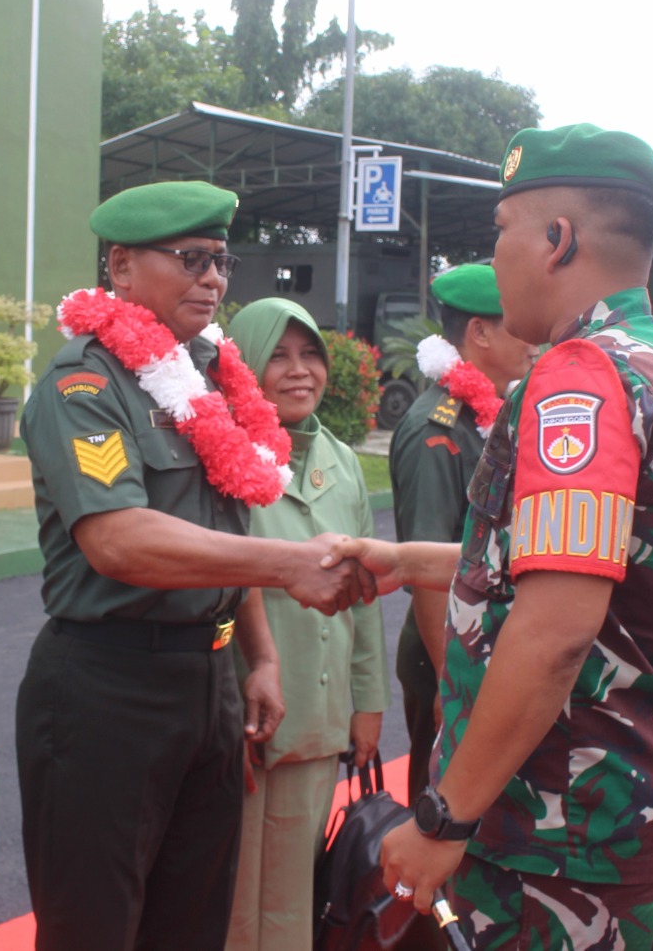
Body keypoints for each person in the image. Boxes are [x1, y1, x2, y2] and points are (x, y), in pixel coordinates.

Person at [330, 124, 653, 950]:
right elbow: (594, 567)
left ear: (557, 239)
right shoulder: (650, 361)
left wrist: (442, 813)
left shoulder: (579, 374)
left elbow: (557, 629)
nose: (494, 254)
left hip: (561, 814)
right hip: (612, 797)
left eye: (501, 231)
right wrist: (412, 561)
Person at [15, 180, 373, 951]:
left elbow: (220, 517)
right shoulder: (82, 384)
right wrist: (287, 563)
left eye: (221, 260)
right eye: (191, 258)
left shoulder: (207, 378)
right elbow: (119, 539)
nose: (214, 278)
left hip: (206, 685)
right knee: (96, 928)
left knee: (193, 923)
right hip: (107, 690)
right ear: (119, 266)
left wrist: (263, 655)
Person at [223, 298, 390, 951]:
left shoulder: (342, 461)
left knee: (297, 891)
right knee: (232, 892)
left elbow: (366, 593)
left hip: (319, 715)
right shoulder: (218, 456)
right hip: (245, 714)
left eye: (311, 353)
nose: (300, 371)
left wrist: (368, 701)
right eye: (278, 355)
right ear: (242, 366)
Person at [389, 263, 537, 806]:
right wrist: (451, 683)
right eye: (517, 327)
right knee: (443, 806)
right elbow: (424, 570)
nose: (533, 343)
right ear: (478, 333)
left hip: (490, 640)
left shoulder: (494, 413)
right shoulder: (438, 429)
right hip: (450, 648)